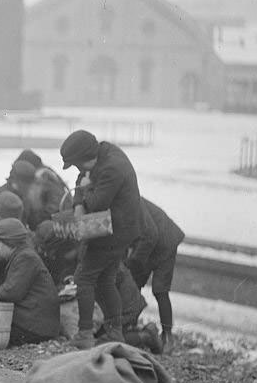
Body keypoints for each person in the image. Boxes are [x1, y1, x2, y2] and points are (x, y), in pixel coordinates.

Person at [60, 129, 143, 349]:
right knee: (106, 279)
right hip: (112, 226)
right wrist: (80, 201)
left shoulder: (112, 168)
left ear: (84, 157)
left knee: (83, 278)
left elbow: (97, 203)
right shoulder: (102, 154)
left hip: (114, 231)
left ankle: (85, 334)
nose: (77, 169)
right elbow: (82, 180)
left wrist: (84, 193)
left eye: (77, 164)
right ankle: (115, 333)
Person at [0, 218, 61, 345]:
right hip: (34, 322)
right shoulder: (23, 255)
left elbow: (13, 291)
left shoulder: (26, 257)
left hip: (34, 327)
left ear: (10, 242)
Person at [127, 197, 185, 348]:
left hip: (165, 242)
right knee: (134, 284)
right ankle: (130, 325)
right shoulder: (121, 199)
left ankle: (167, 335)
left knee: (160, 290)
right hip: (150, 244)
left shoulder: (130, 200)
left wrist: (133, 262)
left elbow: (150, 235)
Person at [17, 149, 70, 230]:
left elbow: (55, 204)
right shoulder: (45, 173)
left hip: (55, 224)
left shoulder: (44, 176)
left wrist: (38, 220)